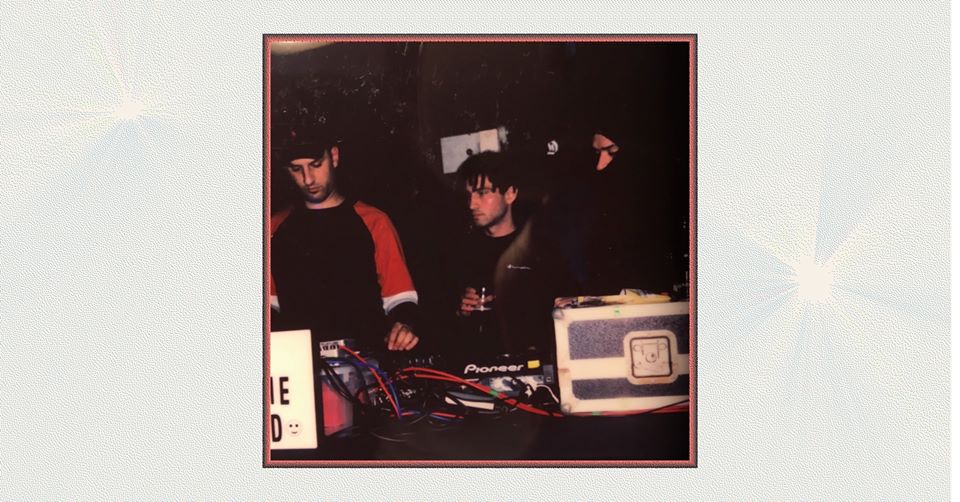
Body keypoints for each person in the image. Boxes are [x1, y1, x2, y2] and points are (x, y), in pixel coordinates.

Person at [270, 124, 420, 351]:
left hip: (366, 360)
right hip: (300, 362)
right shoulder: (273, 228)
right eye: (296, 169)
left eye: (316, 165)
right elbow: (268, 306)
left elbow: (401, 297)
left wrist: (404, 326)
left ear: (334, 156)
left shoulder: (374, 221)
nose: (308, 179)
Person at [449, 151, 559, 356]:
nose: (472, 204)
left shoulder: (538, 248)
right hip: (477, 361)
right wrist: (460, 310)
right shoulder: (459, 250)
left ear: (510, 194)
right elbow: (445, 325)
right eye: (469, 195)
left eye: (482, 193)